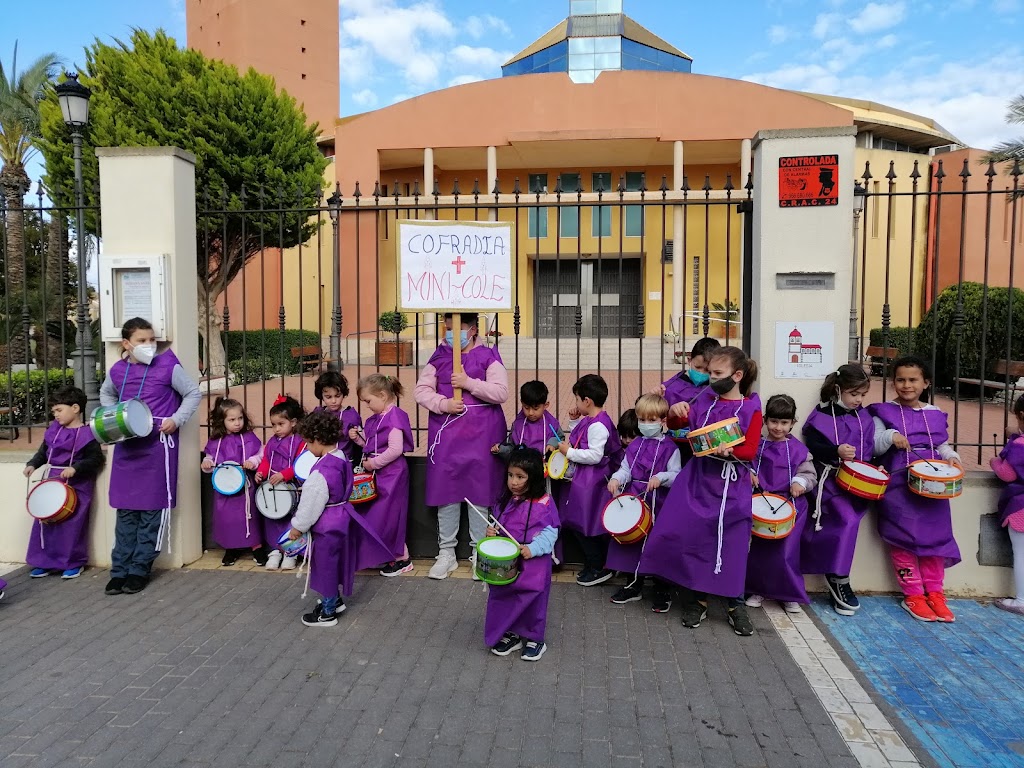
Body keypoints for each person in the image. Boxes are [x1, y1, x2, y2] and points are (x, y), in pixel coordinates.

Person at [639, 346, 762, 636]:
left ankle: (735, 604)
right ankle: (697, 598)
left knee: (731, 542)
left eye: (718, 373)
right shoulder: (704, 399)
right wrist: (675, 412)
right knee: (696, 537)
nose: (711, 378)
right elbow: (677, 425)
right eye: (709, 372)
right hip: (697, 479)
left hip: (730, 483)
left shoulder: (751, 408)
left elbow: (750, 449)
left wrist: (731, 451)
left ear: (737, 375)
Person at [101, 317, 201, 596]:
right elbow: (106, 394)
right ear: (126, 344)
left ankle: (139, 569)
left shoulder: (168, 366)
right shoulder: (117, 371)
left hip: (157, 448)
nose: (149, 345)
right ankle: (119, 570)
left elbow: (193, 393)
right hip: (127, 448)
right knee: (125, 512)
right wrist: (113, 417)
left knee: (151, 512)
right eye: (141, 340)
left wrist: (176, 420)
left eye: (152, 339)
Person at [415, 312, 508, 580]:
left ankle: (479, 551)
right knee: (447, 491)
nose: (451, 333)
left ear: (473, 330)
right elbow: (421, 391)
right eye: (447, 328)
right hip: (447, 435)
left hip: (482, 435)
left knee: (480, 492)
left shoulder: (488, 357)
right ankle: (446, 553)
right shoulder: (438, 357)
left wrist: (468, 383)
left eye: (457, 327)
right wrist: (443, 404)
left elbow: (501, 392)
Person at [871, 356, 961, 623]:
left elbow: (941, 444)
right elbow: (875, 444)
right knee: (903, 539)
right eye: (900, 379)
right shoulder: (882, 411)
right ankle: (913, 595)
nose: (906, 385)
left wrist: (951, 456)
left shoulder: (934, 413)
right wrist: (891, 436)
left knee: (936, 538)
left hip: (933, 483)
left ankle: (935, 592)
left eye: (913, 380)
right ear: (893, 382)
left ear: (926, 383)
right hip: (899, 483)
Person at [286, 410, 392, 627]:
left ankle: (328, 612)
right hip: (341, 516)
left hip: (326, 523)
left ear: (317, 439)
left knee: (325, 566)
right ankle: (335, 600)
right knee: (334, 562)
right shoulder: (340, 457)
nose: (307, 447)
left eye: (308, 443)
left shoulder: (319, 472)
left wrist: (297, 527)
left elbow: (310, 507)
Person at [801, 363, 874, 617]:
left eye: (863, 394)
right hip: (829, 483)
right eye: (854, 394)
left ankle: (836, 574)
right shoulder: (821, 415)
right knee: (845, 521)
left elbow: (872, 446)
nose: (859, 399)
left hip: (857, 485)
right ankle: (839, 578)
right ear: (838, 389)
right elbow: (813, 444)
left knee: (847, 525)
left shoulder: (864, 417)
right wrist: (835, 451)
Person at [606, 394, 680, 612]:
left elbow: (677, 474)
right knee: (632, 543)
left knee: (658, 545)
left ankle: (662, 589)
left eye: (651, 420)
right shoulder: (635, 444)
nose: (646, 424)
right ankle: (633, 585)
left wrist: (661, 477)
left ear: (663, 421)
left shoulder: (671, 448)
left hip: (659, 502)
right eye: (642, 420)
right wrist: (616, 479)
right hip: (635, 498)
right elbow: (626, 469)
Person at [485, 447, 560, 662]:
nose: (513, 482)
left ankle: (535, 637)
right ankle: (511, 632)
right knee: (504, 595)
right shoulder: (506, 499)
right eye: (510, 475)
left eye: (520, 477)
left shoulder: (544, 502)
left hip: (534, 563)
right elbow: (497, 522)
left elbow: (551, 532)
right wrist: (491, 532)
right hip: (508, 561)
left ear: (533, 477)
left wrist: (533, 549)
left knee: (533, 599)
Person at [24, 386, 105, 579]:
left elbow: (96, 459)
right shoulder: (54, 431)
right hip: (53, 479)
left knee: (71, 526)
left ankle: (72, 562)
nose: (56, 415)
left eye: (59, 410)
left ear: (75, 408)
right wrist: (32, 464)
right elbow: (43, 453)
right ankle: (44, 561)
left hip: (77, 485)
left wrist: (76, 468)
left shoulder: (88, 434)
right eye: (53, 411)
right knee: (46, 522)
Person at [745, 394, 816, 613]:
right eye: (774, 421)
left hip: (791, 507)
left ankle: (788, 594)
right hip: (761, 505)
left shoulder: (799, 450)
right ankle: (758, 589)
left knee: (787, 552)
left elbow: (809, 474)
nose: (778, 427)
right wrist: (749, 474)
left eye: (784, 422)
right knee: (760, 551)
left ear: (793, 422)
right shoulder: (756, 445)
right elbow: (746, 465)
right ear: (765, 420)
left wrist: (799, 483)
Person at [556, 374, 623, 587]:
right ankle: (595, 564)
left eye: (577, 399)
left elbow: (594, 454)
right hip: (587, 480)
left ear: (587, 401)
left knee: (584, 523)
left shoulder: (598, 425)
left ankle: (598, 566)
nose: (576, 403)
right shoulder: (593, 420)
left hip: (591, 482)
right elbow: (582, 437)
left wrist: (568, 452)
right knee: (582, 522)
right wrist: (575, 421)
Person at [349, 374, 415, 577]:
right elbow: (373, 444)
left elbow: (395, 449)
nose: (367, 405)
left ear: (383, 395)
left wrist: (373, 463)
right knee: (382, 516)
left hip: (392, 474)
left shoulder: (394, 416)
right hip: (382, 473)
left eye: (368, 401)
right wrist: (359, 439)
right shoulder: (381, 417)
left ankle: (401, 558)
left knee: (390, 516)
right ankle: (391, 555)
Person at [203, 398, 265, 566]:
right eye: (232, 419)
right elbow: (210, 457)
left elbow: (260, 453)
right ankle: (231, 547)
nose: (237, 423)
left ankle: (256, 546)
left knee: (249, 516)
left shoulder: (249, 437)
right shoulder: (216, 440)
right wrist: (207, 463)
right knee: (227, 518)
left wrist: (252, 461)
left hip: (246, 487)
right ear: (221, 421)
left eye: (240, 418)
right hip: (224, 489)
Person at [255, 395, 306, 570]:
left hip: (291, 486)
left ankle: (291, 552)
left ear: (293, 422)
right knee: (272, 519)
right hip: (273, 486)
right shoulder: (271, 442)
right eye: (273, 424)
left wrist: (284, 474)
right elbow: (266, 460)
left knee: (291, 520)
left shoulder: (300, 442)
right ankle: (275, 551)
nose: (276, 429)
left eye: (281, 424)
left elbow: (300, 464)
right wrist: (261, 472)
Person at [661, 338, 720, 466]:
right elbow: (659, 409)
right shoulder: (674, 383)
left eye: (707, 370)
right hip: (675, 445)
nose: (701, 373)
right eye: (697, 367)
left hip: (705, 449)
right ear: (689, 361)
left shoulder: (717, 388)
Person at [991, 395, 1024, 616]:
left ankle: (1021, 600)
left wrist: (995, 461)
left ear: (1021, 415)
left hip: (1021, 507)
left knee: (1021, 553)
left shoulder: (1019, 446)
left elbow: (1007, 474)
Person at [492, 380, 563, 462]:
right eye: (526, 407)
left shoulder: (552, 423)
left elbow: (560, 438)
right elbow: (512, 448)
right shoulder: (518, 424)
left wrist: (552, 443)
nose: (530, 413)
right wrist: (501, 449)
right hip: (521, 466)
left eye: (535, 408)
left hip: (544, 467)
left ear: (546, 405)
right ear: (522, 403)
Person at [314, 371, 362, 463]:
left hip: (345, 462)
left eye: (337, 396)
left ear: (343, 394)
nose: (333, 401)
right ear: (321, 396)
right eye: (328, 397)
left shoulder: (351, 416)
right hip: (322, 462)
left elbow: (360, 444)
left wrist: (355, 436)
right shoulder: (318, 414)